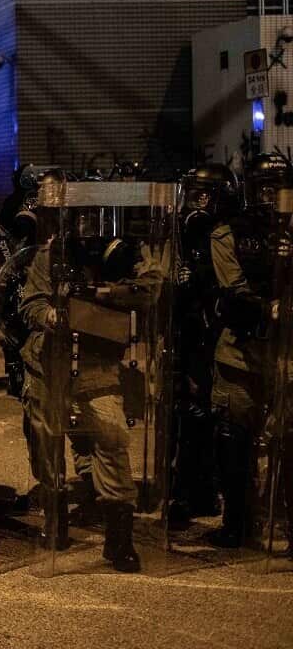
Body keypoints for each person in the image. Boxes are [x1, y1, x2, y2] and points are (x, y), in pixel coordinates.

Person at [18, 174, 169, 572]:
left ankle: (119, 538)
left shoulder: (125, 255)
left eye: (93, 217)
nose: (88, 226)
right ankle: (56, 519)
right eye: (80, 217)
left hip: (98, 365)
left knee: (111, 438)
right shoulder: (50, 256)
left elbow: (152, 289)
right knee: (45, 444)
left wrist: (104, 294)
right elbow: (28, 304)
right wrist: (52, 314)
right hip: (50, 364)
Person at [207, 153, 293, 550]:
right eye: (264, 188)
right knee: (233, 439)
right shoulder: (229, 233)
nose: (271, 196)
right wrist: (269, 306)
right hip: (241, 353)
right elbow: (234, 290)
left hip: (286, 356)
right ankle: (238, 521)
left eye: (278, 188)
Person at [167, 164, 235, 528]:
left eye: (202, 196)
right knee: (185, 412)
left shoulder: (225, 237)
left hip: (211, 336)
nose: (194, 205)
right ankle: (185, 490)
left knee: (206, 413)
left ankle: (203, 490)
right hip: (185, 333)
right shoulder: (184, 235)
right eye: (191, 194)